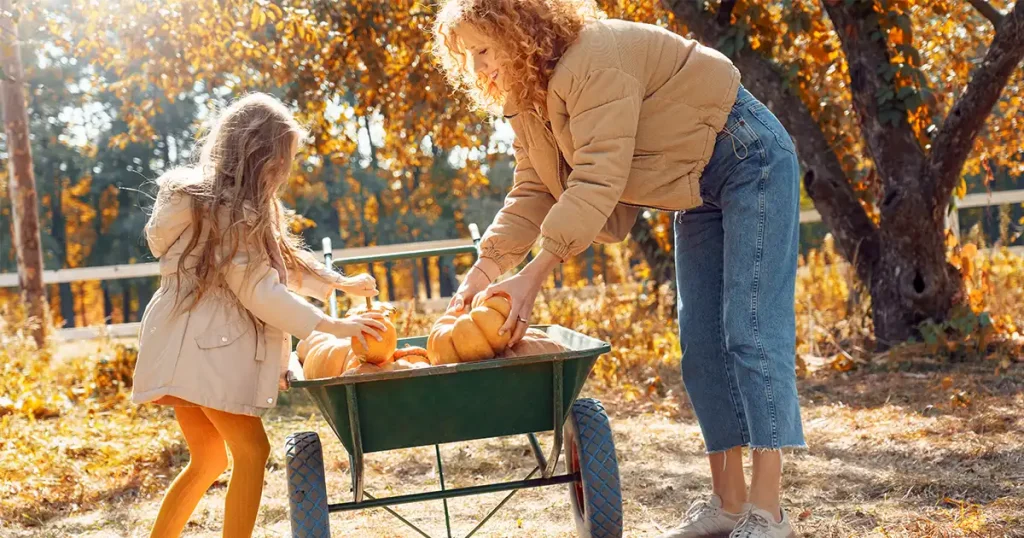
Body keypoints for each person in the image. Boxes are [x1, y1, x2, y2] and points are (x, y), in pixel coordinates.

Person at [432, 1, 804, 537]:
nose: (477, 68)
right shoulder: (527, 97)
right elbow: (534, 187)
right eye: (465, 58)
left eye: (483, 50)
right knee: (700, 341)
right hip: (695, 187)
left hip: (748, 157)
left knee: (749, 330)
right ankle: (728, 503)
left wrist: (535, 274)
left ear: (516, 31)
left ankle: (768, 514)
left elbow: (596, 180)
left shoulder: (593, 59)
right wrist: (487, 267)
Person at [132, 92, 387, 537]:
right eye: (282, 159)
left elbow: (279, 262)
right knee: (251, 452)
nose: (284, 171)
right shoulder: (229, 211)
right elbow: (259, 288)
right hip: (206, 348)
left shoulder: (218, 204)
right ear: (259, 156)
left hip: (179, 342)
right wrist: (332, 325)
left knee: (209, 459)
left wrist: (339, 283)